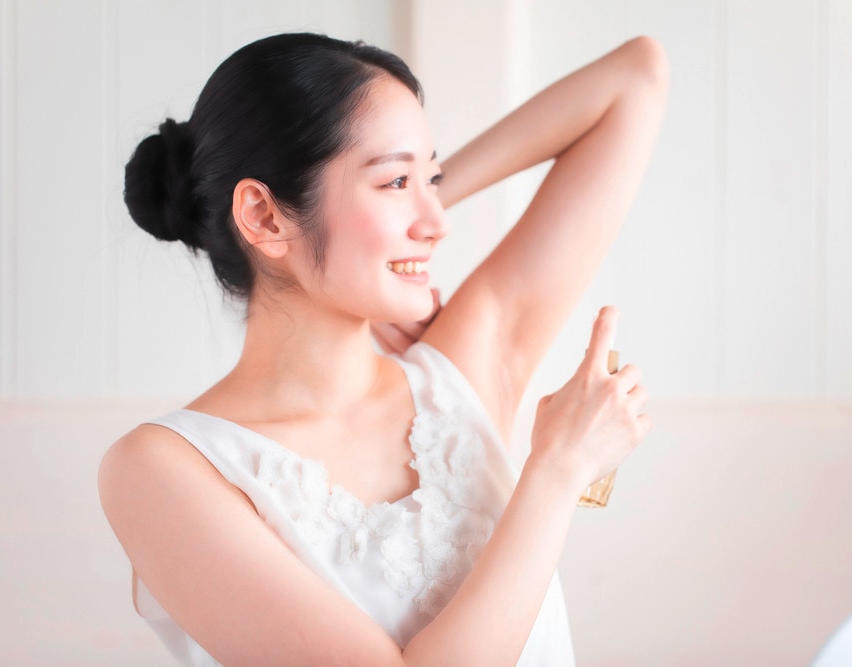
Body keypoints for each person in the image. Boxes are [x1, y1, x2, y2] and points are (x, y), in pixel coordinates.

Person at [99, 31, 668, 666]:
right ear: (262, 216)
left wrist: (406, 204)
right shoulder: (163, 471)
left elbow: (635, 78)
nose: (438, 221)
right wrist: (557, 474)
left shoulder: (457, 378)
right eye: (396, 181)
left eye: (432, 177)